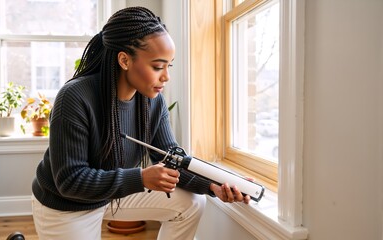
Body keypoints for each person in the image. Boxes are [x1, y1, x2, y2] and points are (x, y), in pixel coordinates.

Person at [31, 6, 250, 240]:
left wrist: (213, 184)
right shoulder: (75, 97)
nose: (166, 76)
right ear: (124, 60)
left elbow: (171, 159)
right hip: (68, 205)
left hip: (113, 191)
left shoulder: (152, 102)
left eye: (169, 65)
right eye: (157, 66)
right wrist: (141, 178)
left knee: (191, 202)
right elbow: (70, 181)